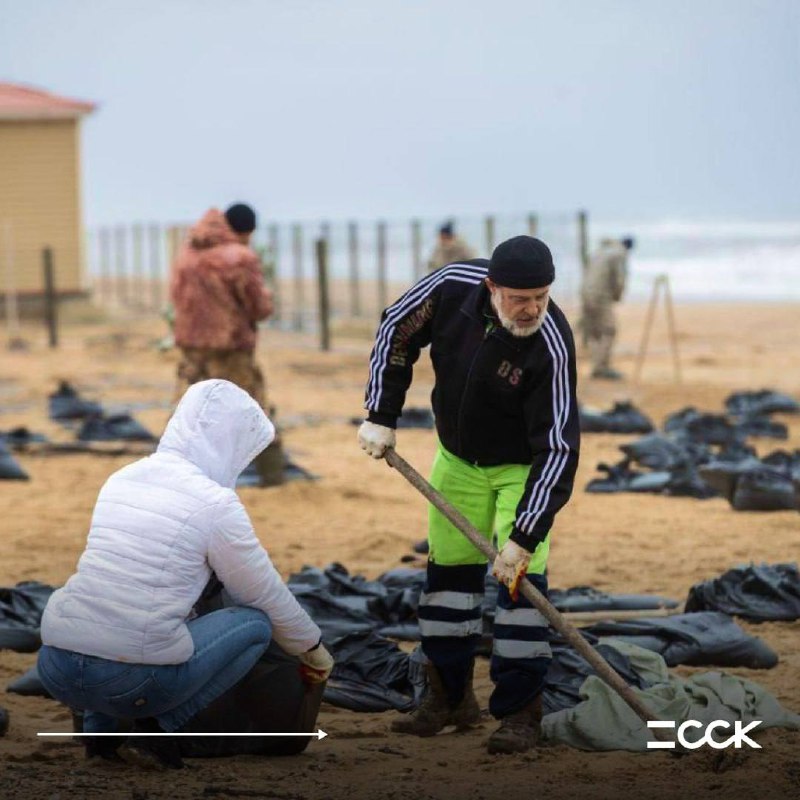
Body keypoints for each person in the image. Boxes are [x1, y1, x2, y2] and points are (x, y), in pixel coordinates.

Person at [38, 379, 333, 770]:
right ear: (230, 443)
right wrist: (311, 648)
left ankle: (100, 737)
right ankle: (158, 733)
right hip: (130, 683)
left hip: (55, 666)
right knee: (256, 625)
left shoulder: (123, 478)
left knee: (110, 603)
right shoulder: (214, 503)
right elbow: (260, 592)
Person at [358, 236, 579, 755]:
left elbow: (560, 448)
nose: (532, 310)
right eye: (520, 298)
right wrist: (380, 414)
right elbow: (397, 329)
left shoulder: (551, 345)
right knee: (448, 579)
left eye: (542, 297)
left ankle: (521, 712)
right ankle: (449, 698)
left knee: (520, 588)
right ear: (491, 287)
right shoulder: (452, 286)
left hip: (520, 472)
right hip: (457, 461)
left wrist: (523, 537)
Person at [170, 203, 284, 485]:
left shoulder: (187, 253)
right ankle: (273, 476)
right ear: (247, 231)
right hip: (230, 347)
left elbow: (175, 296)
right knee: (253, 410)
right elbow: (259, 306)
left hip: (191, 346)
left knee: (189, 415)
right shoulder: (240, 258)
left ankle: (179, 477)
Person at [581, 236, 635, 380]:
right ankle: (601, 367)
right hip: (600, 295)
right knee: (609, 330)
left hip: (585, 293)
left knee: (595, 331)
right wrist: (617, 296)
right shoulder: (619, 254)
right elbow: (619, 278)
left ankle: (598, 364)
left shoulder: (600, 251)